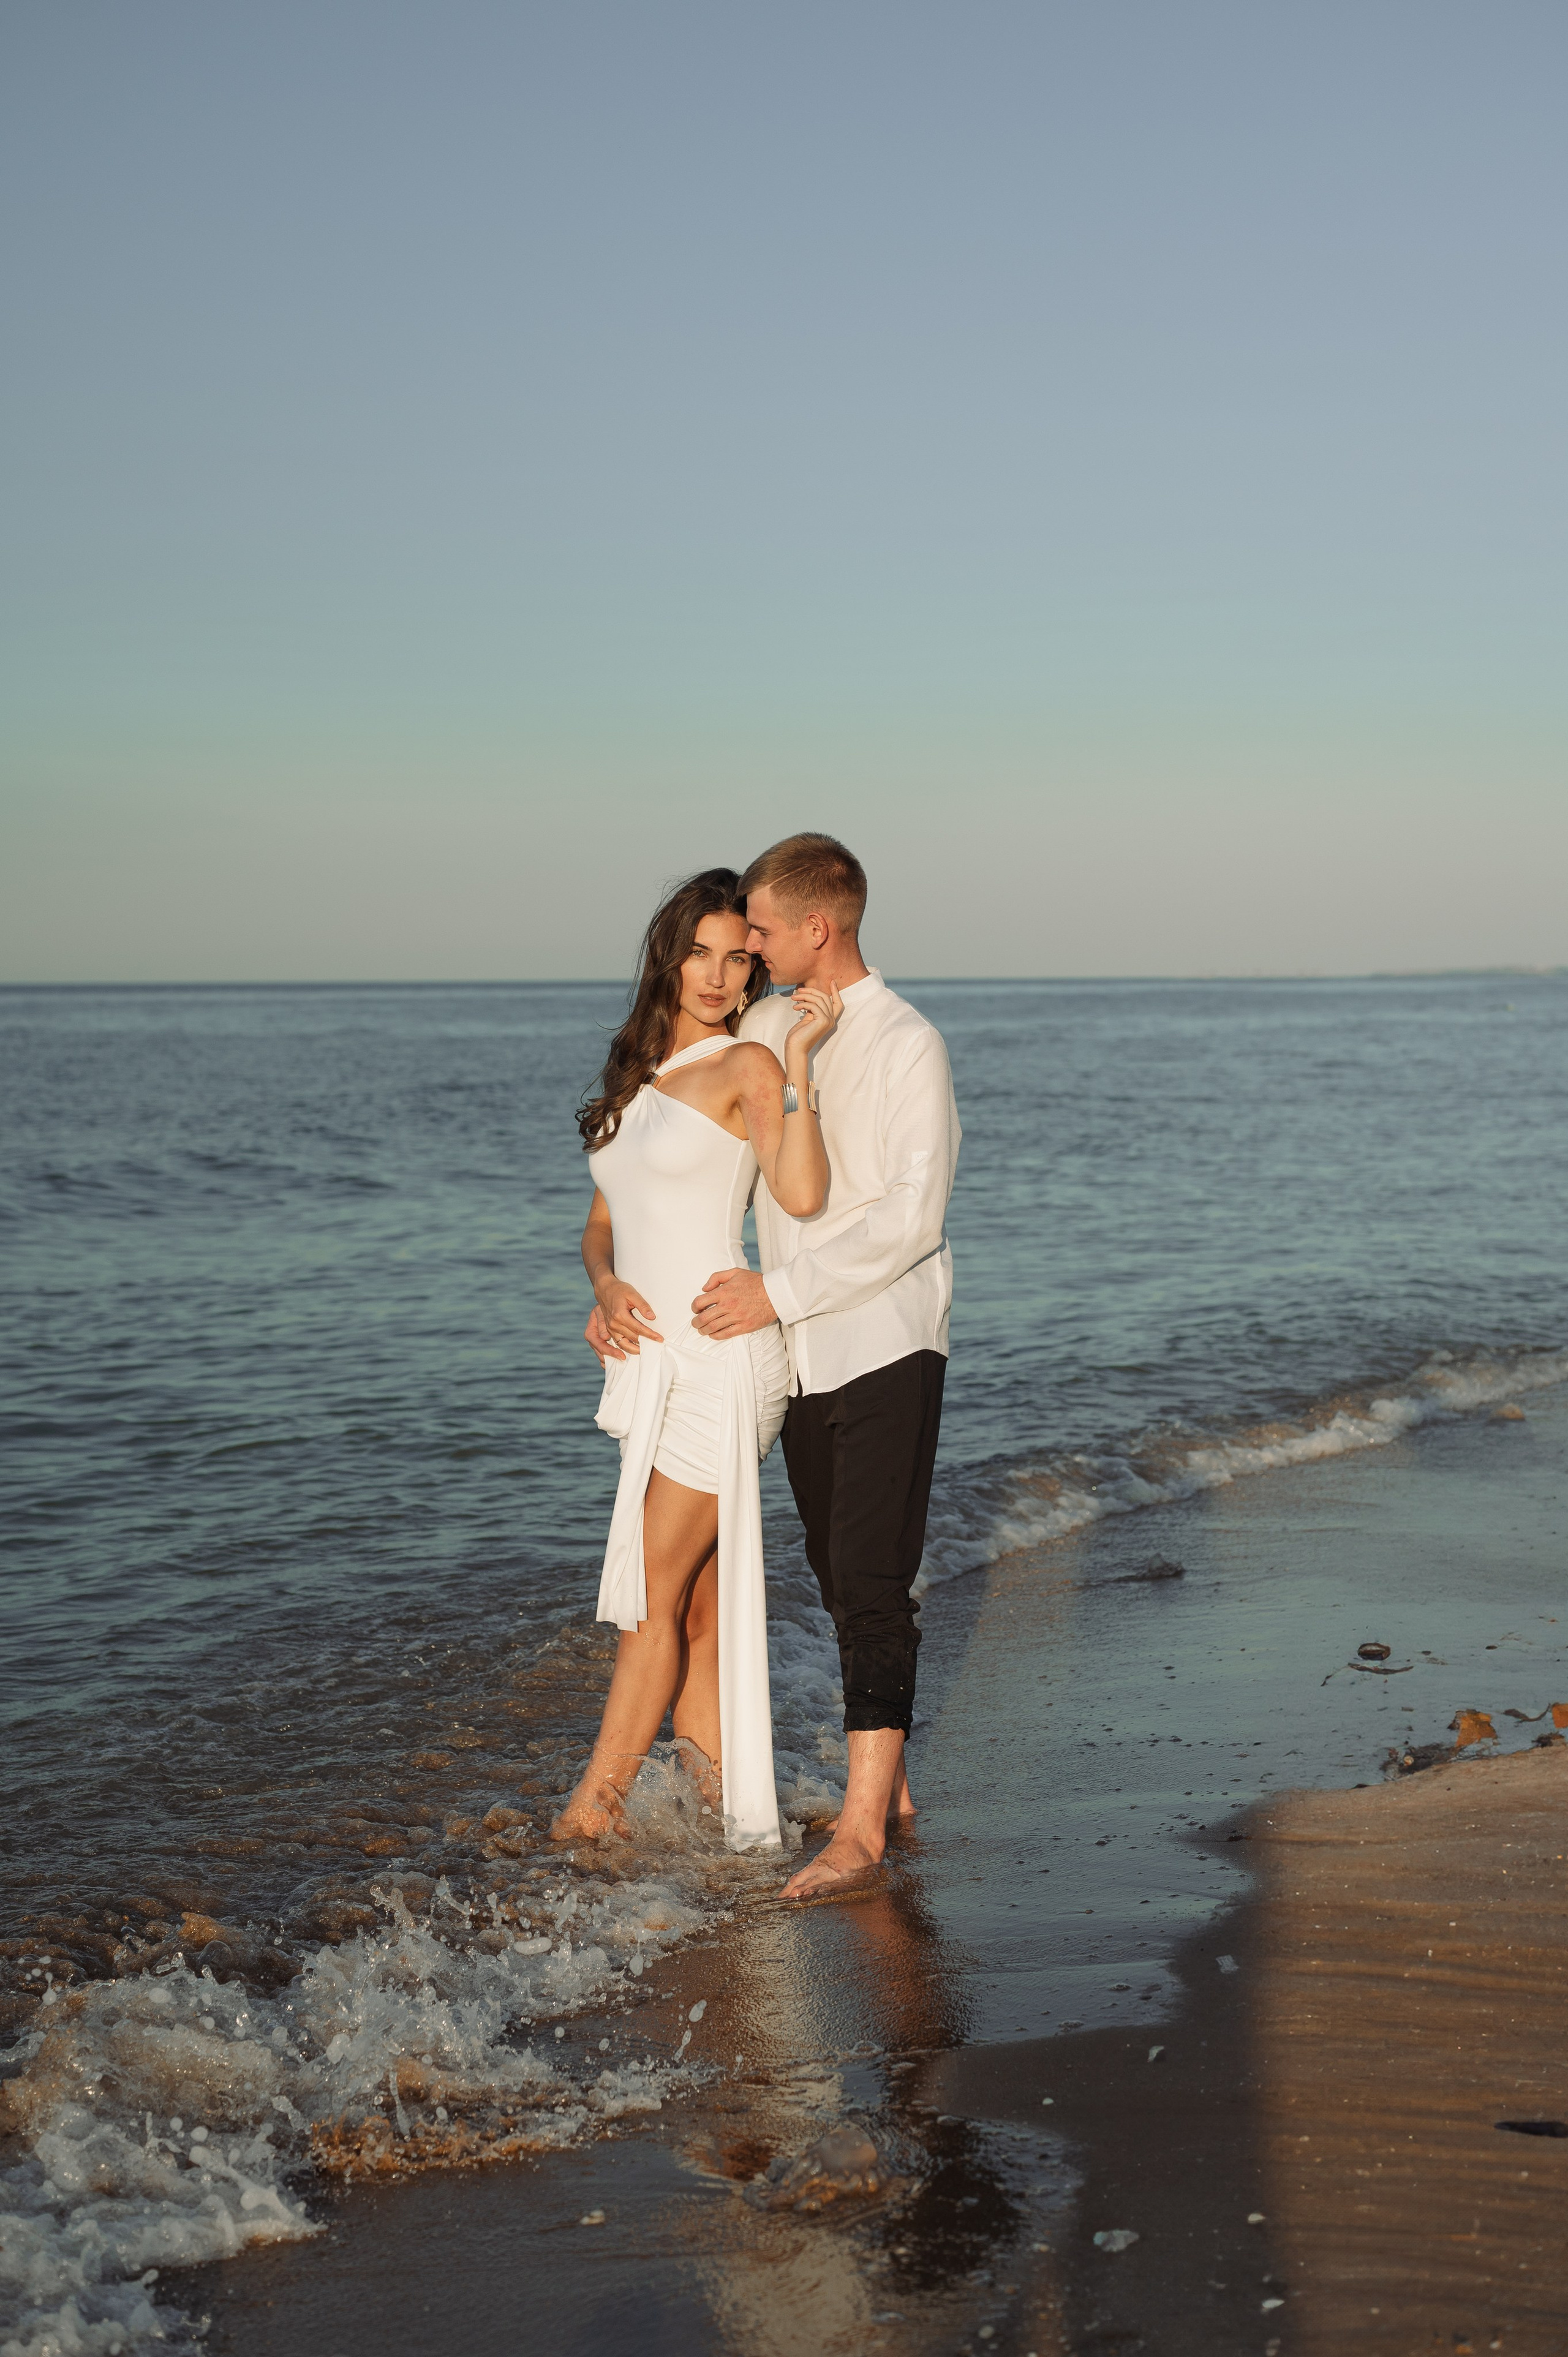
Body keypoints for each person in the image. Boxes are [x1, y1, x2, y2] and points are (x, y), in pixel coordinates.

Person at [691, 833, 960, 1901]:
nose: (748, 948)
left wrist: (781, 1291)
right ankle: (884, 1788)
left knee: (872, 1578)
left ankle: (861, 1833)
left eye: (759, 928)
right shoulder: (763, 1027)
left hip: (888, 1337)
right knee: (833, 1574)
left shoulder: (907, 1043)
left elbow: (913, 1217)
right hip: (794, 1355)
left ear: (820, 927)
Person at [555, 867, 840, 1852]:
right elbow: (603, 1224)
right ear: (668, 955)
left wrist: (795, 1058)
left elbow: (800, 1195)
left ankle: (589, 1815)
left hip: (722, 1364)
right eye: (700, 953)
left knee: (648, 1598)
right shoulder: (633, 1079)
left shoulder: (743, 1068)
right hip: (655, 1367)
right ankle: (728, 1811)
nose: (718, 976)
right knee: (704, 1617)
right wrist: (604, 1290)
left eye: (737, 957)